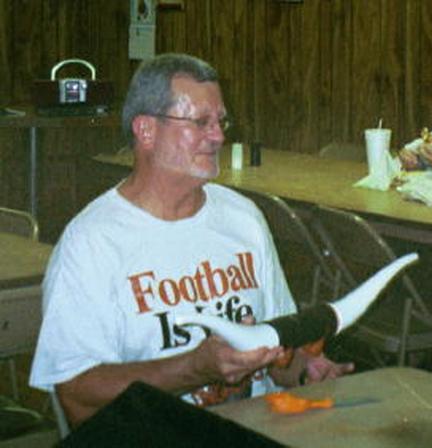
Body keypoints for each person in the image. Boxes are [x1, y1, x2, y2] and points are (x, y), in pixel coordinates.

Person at [30, 53, 353, 429]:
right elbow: (75, 396)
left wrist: (302, 368)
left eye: (220, 121)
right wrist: (194, 368)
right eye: (200, 122)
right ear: (146, 130)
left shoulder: (243, 218)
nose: (218, 136)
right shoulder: (92, 243)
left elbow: (278, 355)